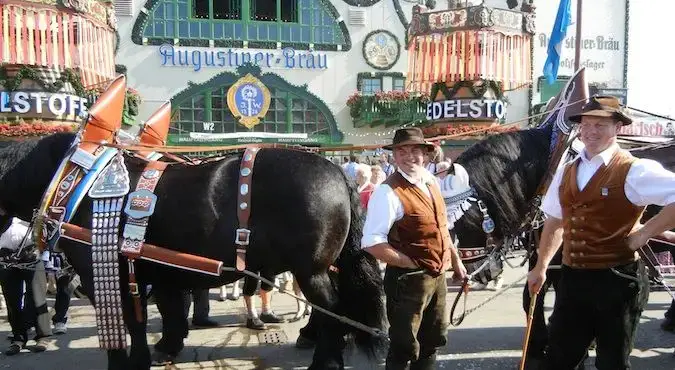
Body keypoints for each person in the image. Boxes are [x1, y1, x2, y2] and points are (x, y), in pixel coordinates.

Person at [527, 96, 675, 370]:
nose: (591, 131)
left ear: (618, 128)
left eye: (600, 125)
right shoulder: (567, 170)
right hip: (572, 280)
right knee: (558, 359)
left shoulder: (634, 169)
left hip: (616, 281)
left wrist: (645, 234)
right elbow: (555, 220)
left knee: (612, 363)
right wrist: (542, 265)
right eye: (586, 124)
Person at [362, 127, 467, 370]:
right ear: (395, 156)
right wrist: (409, 263)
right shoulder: (387, 192)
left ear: (426, 154)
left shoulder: (430, 182)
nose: (410, 156)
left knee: (432, 341)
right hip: (406, 282)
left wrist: (456, 261)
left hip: (437, 277)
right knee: (403, 347)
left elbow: (442, 226)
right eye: (402, 151)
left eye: (415, 150)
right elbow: (372, 242)